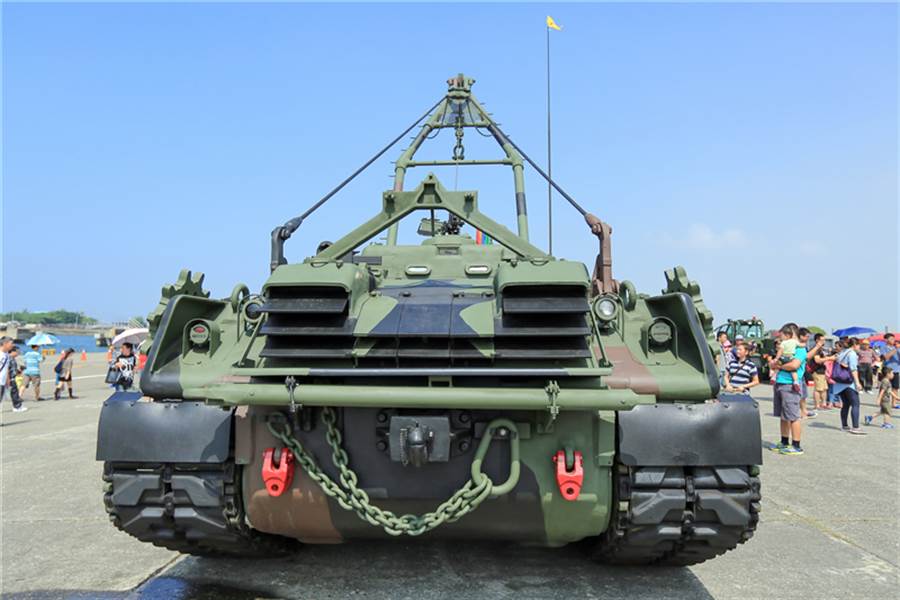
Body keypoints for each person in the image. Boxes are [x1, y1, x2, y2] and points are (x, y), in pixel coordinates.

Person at [769, 323, 804, 455]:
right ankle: (784, 442)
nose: (781, 337)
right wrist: (777, 365)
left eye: (783, 334)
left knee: (793, 416)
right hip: (780, 383)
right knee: (783, 416)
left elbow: (794, 365)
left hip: (790, 385)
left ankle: (796, 445)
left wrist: (779, 366)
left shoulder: (799, 349)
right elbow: (774, 363)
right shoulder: (784, 347)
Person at [832, 337, 865, 434]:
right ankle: (855, 427)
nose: (860, 347)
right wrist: (858, 383)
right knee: (855, 404)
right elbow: (853, 369)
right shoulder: (852, 354)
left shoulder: (842, 352)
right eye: (859, 345)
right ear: (855, 345)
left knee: (845, 405)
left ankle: (845, 425)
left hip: (839, 383)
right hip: (849, 383)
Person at [808, 334, 835, 410]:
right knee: (818, 389)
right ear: (817, 340)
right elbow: (817, 360)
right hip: (817, 371)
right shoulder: (815, 349)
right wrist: (829, 358)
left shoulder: (821, 349)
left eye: (824, 340)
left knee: (824, 388)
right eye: (822, 340)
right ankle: (817, 405)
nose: (824, 341)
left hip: (822, 371)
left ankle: (823, 403)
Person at [773, 325, 801, 392]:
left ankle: (773, 376)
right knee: (793, 372)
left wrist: (777, 360)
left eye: (781, 335)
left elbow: (793, 366)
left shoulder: (783, 343)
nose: (780, 337)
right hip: (790, 358)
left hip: (787, 383)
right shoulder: (795, 343)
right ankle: (796, 382)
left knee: (777, 367)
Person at [3, 345, 27, 413]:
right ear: (13, 351)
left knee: (14, 392)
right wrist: (8, 379)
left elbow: (13, 370)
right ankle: (17, 407)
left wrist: (20, 370)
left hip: (11, 378)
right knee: (14, 393)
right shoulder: (8, 358)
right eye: (17, 351)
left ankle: (18, 406)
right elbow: (6, 369)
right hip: (9, 379)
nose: (18, 353)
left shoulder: (12, 359)